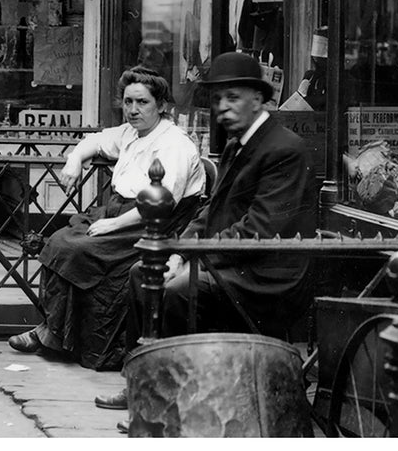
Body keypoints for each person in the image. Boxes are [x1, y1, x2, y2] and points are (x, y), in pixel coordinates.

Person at [96, 51, 317, 415]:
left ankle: (172, 403)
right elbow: (211, 210)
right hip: (230, 259)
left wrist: (194, 260)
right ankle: (143, 384)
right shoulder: (237, 142)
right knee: (143, 271)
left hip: (267, 273)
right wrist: (178, 253)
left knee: (179, 291)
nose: (223, 108)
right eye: (217, 100)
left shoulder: (283, 149)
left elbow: (259, 229)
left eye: (233, 98)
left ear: (258, 99)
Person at [7, 67, 206, 370]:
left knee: (75, 249)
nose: (133, 110)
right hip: (121, 211)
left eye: (142, 102)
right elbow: (97, 141)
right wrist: (75, 159)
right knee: (61, 241)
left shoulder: (174, 144)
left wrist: (113, 224)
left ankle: (57, 335)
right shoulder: (132, 132)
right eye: (128, 102)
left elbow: (162, 204)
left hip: (154, 224)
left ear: (162, 106)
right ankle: (53, 331)